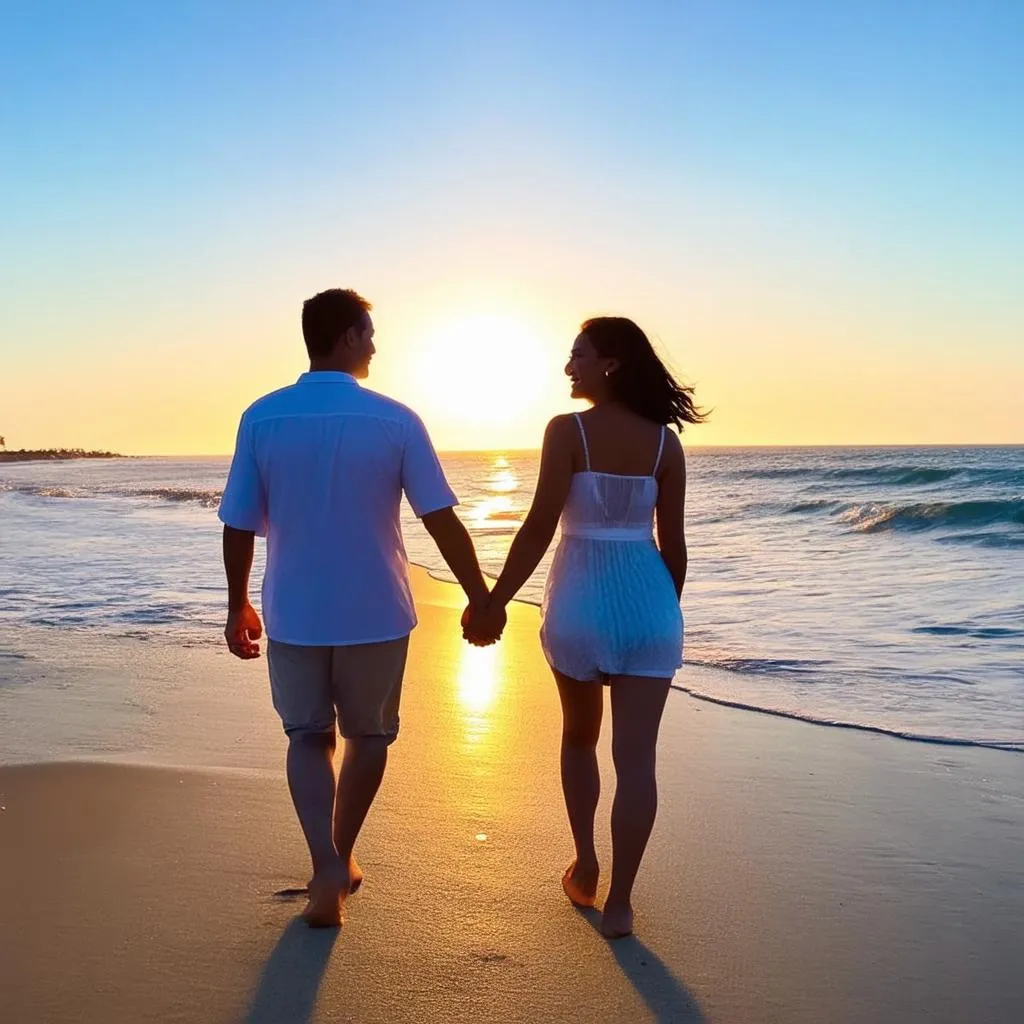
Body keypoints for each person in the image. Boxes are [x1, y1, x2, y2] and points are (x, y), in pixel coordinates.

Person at [219, 288, 497, 928]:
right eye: (368, 333)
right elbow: (440, 518)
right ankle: (341, 857)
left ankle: (323, 862)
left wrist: (237, 604)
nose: (374, 345)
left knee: (306, 735)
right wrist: (479, 596)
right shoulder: (395, 419)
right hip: (375, 608)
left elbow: (237, 523)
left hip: (293, 608)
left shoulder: (262, 416)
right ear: (345, 336)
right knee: (368, 735)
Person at [464, 316, 704, 939]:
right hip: (650, 607)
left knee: (578, 737)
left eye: (577, 355)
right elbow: (673, 549)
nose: (568, 367)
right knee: (638, 760)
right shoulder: (665, 445)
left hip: (578, 606)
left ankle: (587, 863)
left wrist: (493, 602)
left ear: (611, 364)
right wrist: (663, 612)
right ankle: (622, 903)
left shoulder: (566, 432)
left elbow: (540, 527)